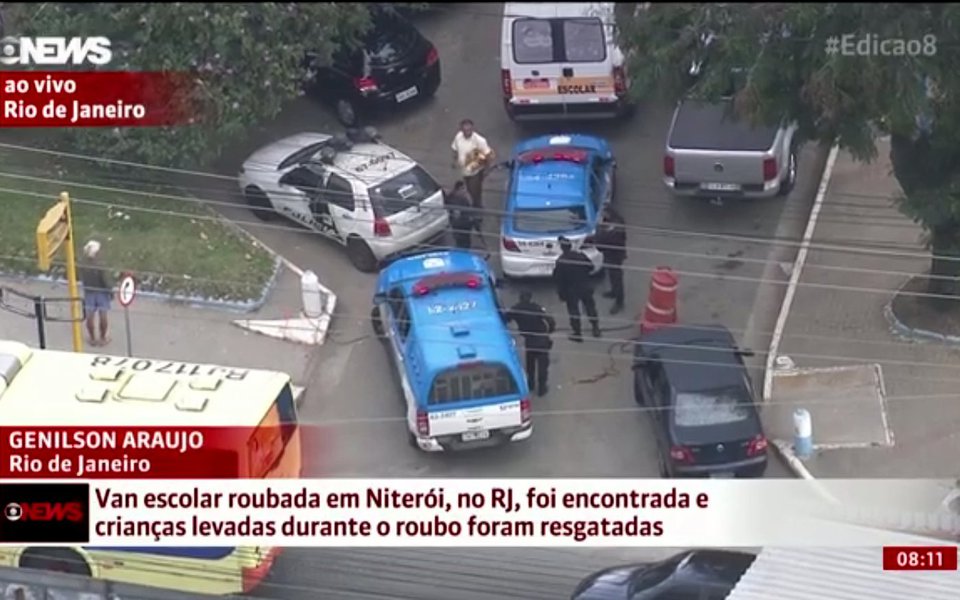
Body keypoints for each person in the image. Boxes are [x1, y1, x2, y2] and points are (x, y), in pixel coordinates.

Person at [503, 290, 556, 397]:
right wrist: (550, 330)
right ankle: (542, 388)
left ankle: (531, 384)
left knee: (530, 364)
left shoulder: (516, 309)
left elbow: (506, 318)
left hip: (529, 340)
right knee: (543, 365)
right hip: (541, 339)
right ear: (530, 298)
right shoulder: (536, 307)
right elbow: (550, 320)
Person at [553, 236, 601, 342]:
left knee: (574, 311)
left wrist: (561, 294)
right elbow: (591, 267)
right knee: (590, 307)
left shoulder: (561, 261)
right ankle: (595, 328)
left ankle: (577, 333)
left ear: (562, 248)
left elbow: (559, 279)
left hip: (571, 290)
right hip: (584, 285)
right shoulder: (580, 256)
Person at [450, 118, 494, 210]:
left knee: (474, 190)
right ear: (461, 129)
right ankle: (475, 204)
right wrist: (455, 161)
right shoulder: (458, 137)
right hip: (464, 171)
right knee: (469, 188)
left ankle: (477, 207)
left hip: (476, 172)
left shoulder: (479, 140)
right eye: (465, 130)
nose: (467, 132)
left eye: (469, 130)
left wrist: (487, 169)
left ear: (473, 129)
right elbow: (455, 149)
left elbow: (488, 155)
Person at [594, 205, 627, 314]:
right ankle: (614, 292)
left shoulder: (615, 229)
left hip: (615, 256)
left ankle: (619, 302)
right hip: (611, 255)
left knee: (617, 278)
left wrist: (599, 228)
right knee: (612, 276)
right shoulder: (615, 222)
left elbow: (601, 242)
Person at [78, 240, 113, 347]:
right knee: (103, 315)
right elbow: (105, 280)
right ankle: (102, 338)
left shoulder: (83, 264)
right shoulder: (100, 265)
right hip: (101, 291)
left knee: (90, 316)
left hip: (89, 291)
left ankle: (92, 338)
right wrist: (110, 291)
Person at [444, 180, 477, 250]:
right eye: (463, 188)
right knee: (465, 240)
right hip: (463, 223)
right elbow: (469, 210)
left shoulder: (451, 196)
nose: (464, 190)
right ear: (459, 188)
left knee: (460, 240)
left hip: (456, 224)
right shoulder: (463, 198)